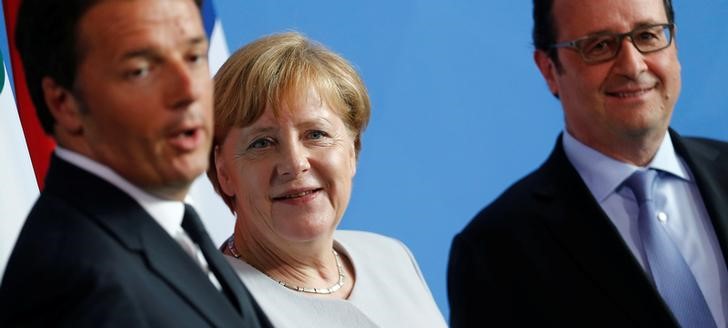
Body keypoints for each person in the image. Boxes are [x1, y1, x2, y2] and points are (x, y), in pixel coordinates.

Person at [448, 0, 728, 327]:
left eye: (648, 35)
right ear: (549, 69)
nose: (633, 65)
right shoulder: (493, 252)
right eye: (599, 46)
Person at [0, 0, 269, 326]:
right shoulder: (75, 284)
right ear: (64, 104)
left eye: (194, 57)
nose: (188, 90)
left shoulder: (172, 226)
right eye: (141, 70)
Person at [208, 31, 447, 328]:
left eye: (316, 134)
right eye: (262, 143)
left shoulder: (392, 258)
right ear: (223, 171)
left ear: (352, 151)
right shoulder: (209, 306)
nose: (295, 164)